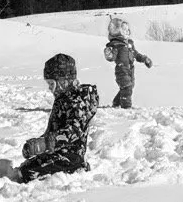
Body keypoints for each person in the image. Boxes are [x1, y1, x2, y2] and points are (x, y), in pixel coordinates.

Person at [16, 53, 100, 183]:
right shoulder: (62, 99)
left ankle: (78, 168)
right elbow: (53, 129)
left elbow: (73, 131)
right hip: (57, 151)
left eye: (51, 83)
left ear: (63, 81)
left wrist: (45, 144)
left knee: (28, 173)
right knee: (25, 168)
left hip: (71, 156)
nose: (49, 88)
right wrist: (38, 145)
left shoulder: (77, 101)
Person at [103, 17, 153, 109]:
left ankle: (116, 103)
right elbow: (112, 57)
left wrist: (145, 59)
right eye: (124, 30)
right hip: (121, 69)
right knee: (127, 87)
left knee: (128, 87)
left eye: (127, 30)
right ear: (118, 31)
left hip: (130, 70)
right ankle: (126, 107)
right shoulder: (116, 44)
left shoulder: (129, 44)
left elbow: (136, 54)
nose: (127, 32)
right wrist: (109, 54)